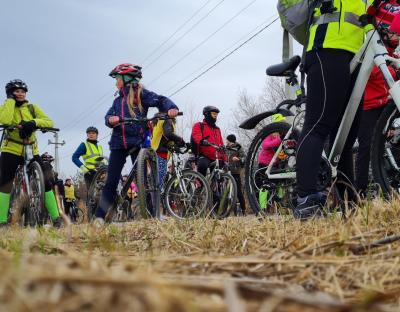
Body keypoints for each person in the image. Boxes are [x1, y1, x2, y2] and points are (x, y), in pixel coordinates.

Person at [294, 0, 374, 219]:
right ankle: (306, 198)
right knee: (318, 124)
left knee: (346, 136)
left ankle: (348, 202)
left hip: (355, 51)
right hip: (327, 46)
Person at [94, 63, 179, 224]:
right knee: (111, 181)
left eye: (118, 79)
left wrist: (171, 107)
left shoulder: (141, 95)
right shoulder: (117, 101)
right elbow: (108, 117)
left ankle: (150, 215)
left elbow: (160, 100)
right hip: (118, 144)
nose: (116, 82)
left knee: (144, 181)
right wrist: (110, 120)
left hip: (137, 142)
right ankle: (99, 217)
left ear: (126, 79)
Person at [0, 79, 61, 227]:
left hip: (31, 149)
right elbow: (5, 119)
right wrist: (10, 102)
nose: (20, 94)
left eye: (22, 91)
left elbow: (48, 121)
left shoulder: (32, 107)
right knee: (4, 183)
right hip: (11, 149)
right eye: (16, 91)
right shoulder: (6, 106)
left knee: (46, 181)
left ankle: (56, 218)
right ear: (10, 93)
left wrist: (33, 122)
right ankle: (1, 221)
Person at [356, 2, 400, 196]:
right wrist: (393, 70)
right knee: (367, 146)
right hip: (368, 105)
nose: (398, 39)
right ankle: (359, 190)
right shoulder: (371, 48)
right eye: (395, 34)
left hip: (386, 105)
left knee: (393, 142)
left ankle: (391, 185)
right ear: (383, 32)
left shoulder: (392, 54)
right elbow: (373, 71)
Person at [150, 112, 185, 189]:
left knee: (155, 181)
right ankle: (157, 199)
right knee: (159, 183)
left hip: (154, 152)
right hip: (160, 153)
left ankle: (153, 199)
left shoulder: (158, 120)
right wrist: (181, 140)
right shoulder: (166, 118)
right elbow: (168, 134)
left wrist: (176, 145)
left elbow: (164, 138)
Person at [191, 106, 226, 177]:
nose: (215, 116)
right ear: (207, 114)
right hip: (204, 155)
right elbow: (196, 136)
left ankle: (216, 187)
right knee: (202, 166)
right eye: (213, 114)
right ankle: (200, 185)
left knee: (220, 173)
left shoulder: (217, 129)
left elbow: (221, 143)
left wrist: (224, 157)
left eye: (216, 115)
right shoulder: (199, 125)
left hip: (216, 157)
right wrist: (202, 141)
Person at [226, 134, 246, 215]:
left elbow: (244, 158)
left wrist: (238, 159)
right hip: (226, 173)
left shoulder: (238, 147)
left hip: (235, 172)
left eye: (227, 140)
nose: (226, 141)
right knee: (226, 192)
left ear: (230, 141)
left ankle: (243, 210)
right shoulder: (226, 147)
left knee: (238, 192)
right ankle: (225, 211)